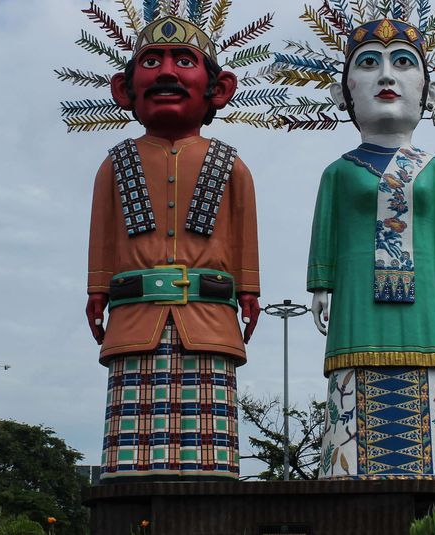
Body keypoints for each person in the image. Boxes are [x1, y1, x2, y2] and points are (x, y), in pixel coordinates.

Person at [82, 12, 262, 482]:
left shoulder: (231, 165)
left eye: (184, 60)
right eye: (152, 61)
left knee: (210, 451)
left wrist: (249, 290)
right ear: (124, 89)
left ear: (217, 88)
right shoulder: (115, 165)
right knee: (130, 450)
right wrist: (96, 290)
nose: (166, 72)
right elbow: (102, 234)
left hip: (209, 313)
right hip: (133, 313)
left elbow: (245, 233)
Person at [307, 18, 435, 479]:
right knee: (353, 379)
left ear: (429, 93)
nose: (386, 76)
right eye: (368, 63)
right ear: (344, 95)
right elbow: (326, 232)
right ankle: (347, 471)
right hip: (356, 295)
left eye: (402, 62)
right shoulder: (338, 172)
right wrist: (320, 286)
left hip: (426, 301)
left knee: (431, 378)